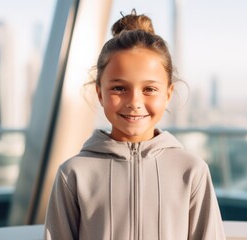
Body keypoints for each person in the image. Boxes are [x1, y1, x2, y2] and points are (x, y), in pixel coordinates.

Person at [44, 9, 226, 240]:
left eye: (149, 89)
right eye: (119, 88)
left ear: (168, 93)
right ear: (100, 93)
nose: (134, 103)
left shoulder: (191, 171)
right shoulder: (73, 174)